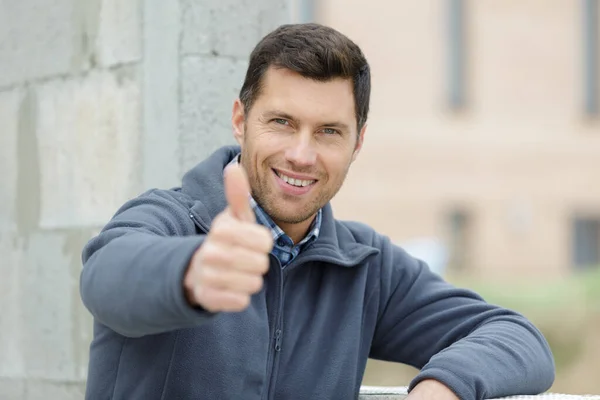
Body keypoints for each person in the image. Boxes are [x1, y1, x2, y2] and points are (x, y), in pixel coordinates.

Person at [79, 23, 555, 400]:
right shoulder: (168, 220)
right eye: (282, 122)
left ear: (358, 142)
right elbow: (105, 278)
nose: (302, 155)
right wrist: (192, 273)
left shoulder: (367, 266)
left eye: (329, 131)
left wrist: (444, 384)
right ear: (241, 121)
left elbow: (517, 337)